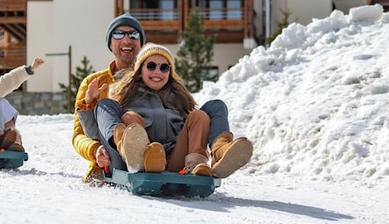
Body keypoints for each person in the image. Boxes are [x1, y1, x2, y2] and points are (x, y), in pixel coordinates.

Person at [98, 43, 253, 177]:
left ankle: (217, 153)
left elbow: (195, 129)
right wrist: (88, 105)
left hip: (176, 160)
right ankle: (135, 153)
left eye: (164, 67)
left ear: (169, 73)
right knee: (126, 115)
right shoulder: (126, 97)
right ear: (140, 70)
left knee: (205, 112)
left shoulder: (180, 99)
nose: (158, 72)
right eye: (151, 66)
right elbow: (100, 126)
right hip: (144, 159)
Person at [72, 14, 145, 182]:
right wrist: (95, 150)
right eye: (119, 34)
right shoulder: (93, 83)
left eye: (133, 35)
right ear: (110, 44)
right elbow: (78, 135)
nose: (127, 40)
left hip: (147, 162)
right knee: (105, 107)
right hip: (108, 165)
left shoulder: (154, 79)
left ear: (140, 43)